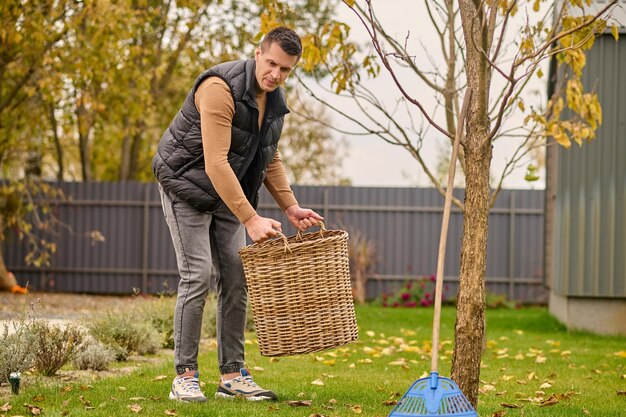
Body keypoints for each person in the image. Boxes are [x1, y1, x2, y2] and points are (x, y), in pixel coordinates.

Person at [152, 26, 323, 403]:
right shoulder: (219, 88)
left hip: (230, 194)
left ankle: (232, 374)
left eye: (286, 70)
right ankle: (185, 376)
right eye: (272, 64)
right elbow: (214, 162)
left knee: (236, 277)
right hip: (187, 184)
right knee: (198, 275)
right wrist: (251, 218)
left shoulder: (274, 102)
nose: (276, 75)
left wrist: (290, 206)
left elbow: (269, 157)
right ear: (259, 53)